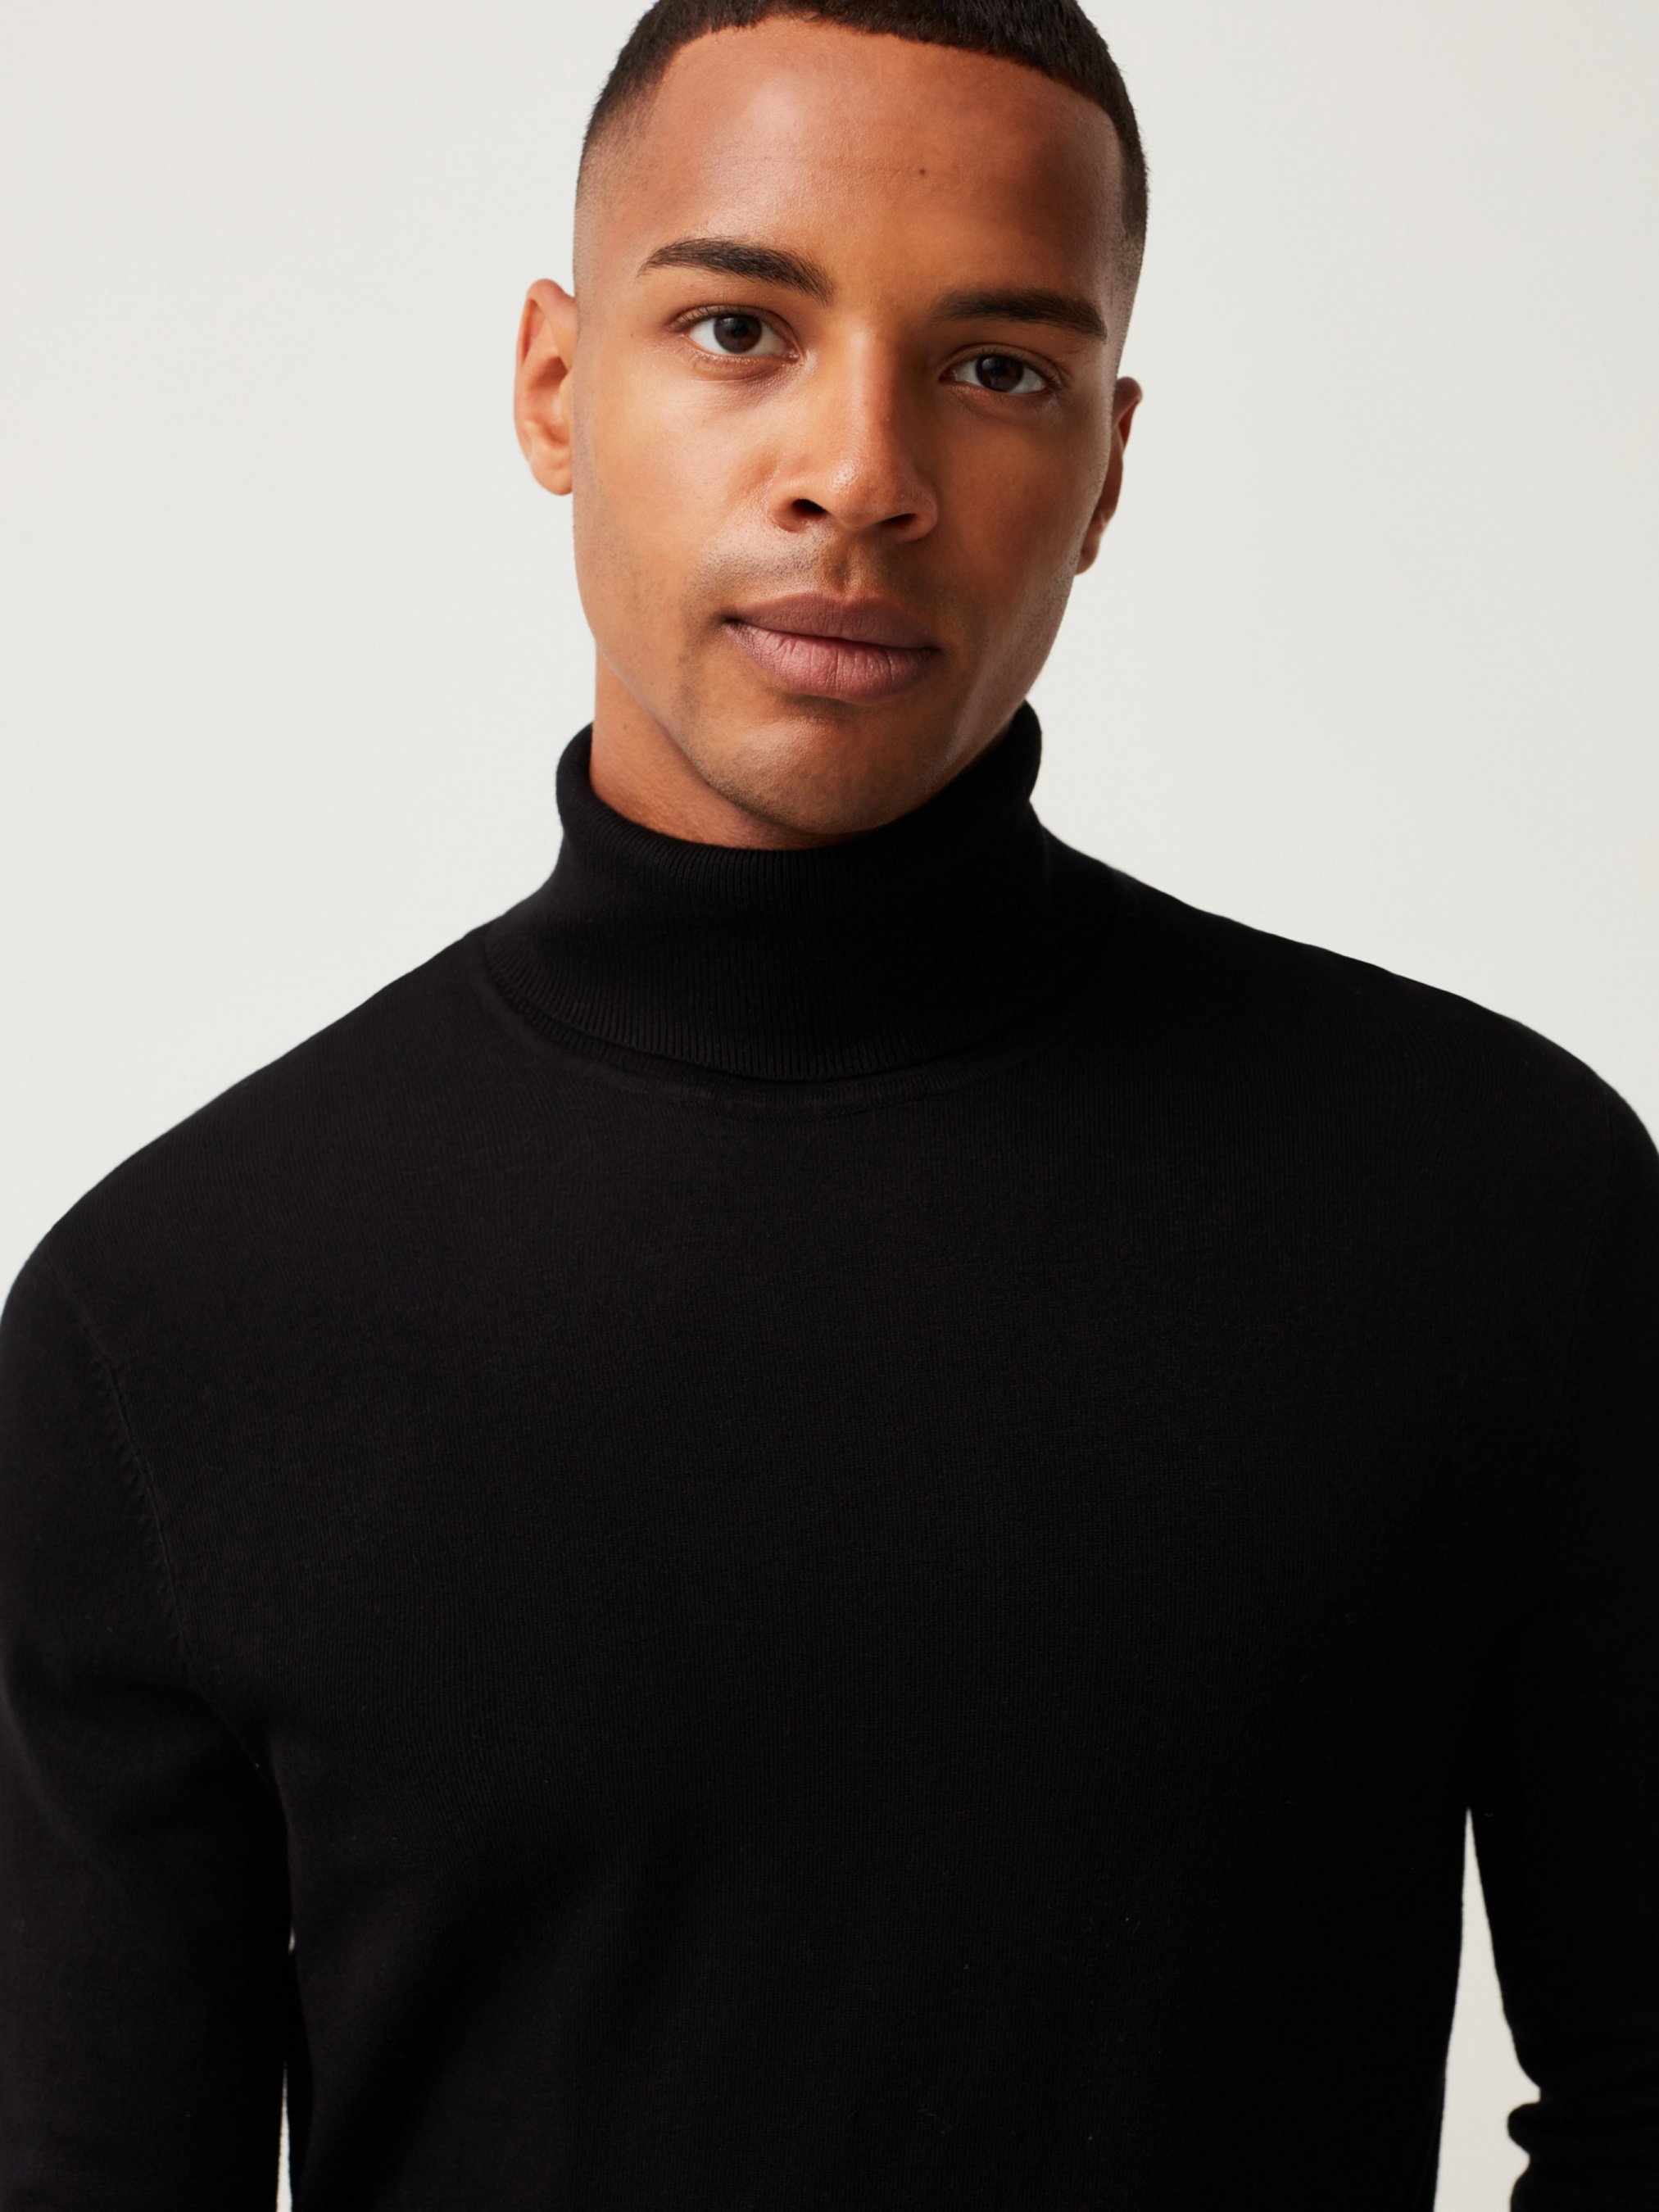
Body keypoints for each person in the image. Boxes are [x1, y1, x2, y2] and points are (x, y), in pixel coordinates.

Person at [1, 1, 1653, 2204]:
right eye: (739, 328)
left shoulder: (1496, 1210)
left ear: (1108, 466)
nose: (861, 473)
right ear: (555, 386)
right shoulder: (172, 1317)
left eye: (998, 368)